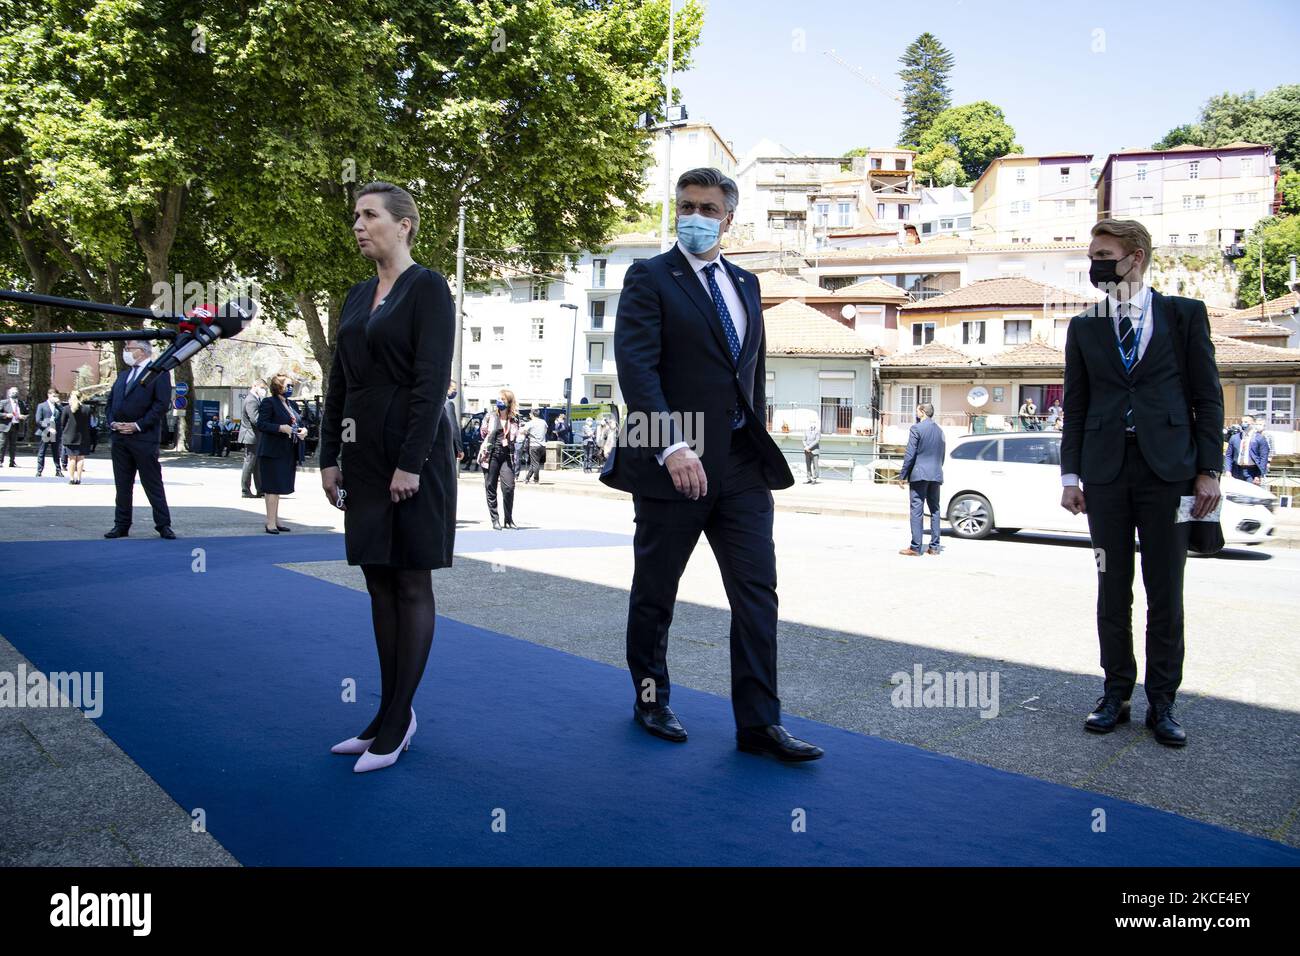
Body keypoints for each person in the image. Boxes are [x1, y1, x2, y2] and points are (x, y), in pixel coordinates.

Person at [601, 166, 821, 763]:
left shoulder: (746, 283)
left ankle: (759, 725)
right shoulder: (648, 277)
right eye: (686, 205)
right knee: (656, 591)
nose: (694, 216)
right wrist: (671, 446)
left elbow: (749, 375)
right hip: (677, 459)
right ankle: (651, 698)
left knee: (757, 594)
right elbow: (638, 371)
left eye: (706, 208)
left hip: (742, 464)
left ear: (729, 217)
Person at [1061, 218, 1222, 748]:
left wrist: (1208, 470)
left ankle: (1164, 703)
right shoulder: (1085, 327)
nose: (1094, 265)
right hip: (1106, 476)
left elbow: (1207, 397)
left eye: (1103, 255)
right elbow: (1077, 407)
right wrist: (1070, 476)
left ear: (1136, 257)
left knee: (1165, 593)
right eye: (1092, 255)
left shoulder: (1183, 316)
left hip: (1169, 475)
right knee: (1112, 588)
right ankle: (1116, 695)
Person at [319, 180, 456, 773]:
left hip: (412, 455)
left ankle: (399, 718)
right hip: (362, 455)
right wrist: (329, 456)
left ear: (403, 225)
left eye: (369, 214)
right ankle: (384, 713)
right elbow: (338, 383)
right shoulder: (353, 296)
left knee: (410, 582)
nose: (358, 224)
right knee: (377, 582)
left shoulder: (429, 289)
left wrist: (411, 462)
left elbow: (431, 385)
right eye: (355, 215)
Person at [104, 339, 175, 539]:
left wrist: (138, 425)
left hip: (143, 438)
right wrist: (113, 423)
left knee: (152, 483)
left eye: (129, 348)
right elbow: (110, 404)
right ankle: (121, 524)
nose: (125, 351)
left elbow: (161, 405)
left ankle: (163, 524)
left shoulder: (158, 373)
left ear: (142, 351)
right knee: (122, 485)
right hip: (119, 438)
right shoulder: (123, 375)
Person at [256, 374, 307, 533]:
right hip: (272, 450)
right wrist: (280, 428)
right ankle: (270, 522)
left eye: (292, 385)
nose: (291, 388)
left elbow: (300, 422)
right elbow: (261, 424)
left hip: (288, 451)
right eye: (288, 385)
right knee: (272, 487)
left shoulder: (292, 404)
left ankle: (276, 520)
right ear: (278, 386)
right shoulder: (269, 402)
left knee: (279, 487)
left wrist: (304, 430)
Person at [898, 403, 946, 556]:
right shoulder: (940, 431)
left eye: (917, 410)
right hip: (936, 473)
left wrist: (903, 475)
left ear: (923, 412)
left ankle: (915, 547)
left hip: (919, 474)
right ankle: (934, 547)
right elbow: (942, 454)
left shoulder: (917, 428)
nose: (916, 413)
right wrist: (937, 469)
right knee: (935, 510)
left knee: (917, 510)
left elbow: (910, 454)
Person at [480, 389, 519, 529]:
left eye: (502, 399)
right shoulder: (490, 416)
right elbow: (483, 432)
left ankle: (508, 519)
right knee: (490, 486)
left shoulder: (514, 419)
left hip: (507, 455)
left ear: (509, 402)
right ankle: (495, 519)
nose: (499, 402)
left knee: (509, 487)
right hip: (491, 455)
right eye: (498, 399)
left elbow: (515, 437)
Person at [239, 380, 265, 498]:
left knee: (256, 464)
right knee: (249, 463)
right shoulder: (251, 400)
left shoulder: (256, 399)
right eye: (262, 387)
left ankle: (260, 489)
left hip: (255, 436)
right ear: (254, 386)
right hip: (251, 436)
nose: (263, 390)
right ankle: (245, 490)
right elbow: (255, 419)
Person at [60, 389, 92, 485]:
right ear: (81, 397)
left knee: (71, 459)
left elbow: (62, 423)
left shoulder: (66, 409)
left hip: (70, 437)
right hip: (83, 437)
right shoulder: (87, 408)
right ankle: (79, 478)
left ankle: (71, 478)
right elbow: (88, 423)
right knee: (81, 458)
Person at [1225, 415, 1268, 485]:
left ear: (1253, 423)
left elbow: (1263, 458)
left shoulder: (1260, 438)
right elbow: (1229, 455)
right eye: (1242, 422)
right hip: (1236, 471)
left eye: (1246, 422)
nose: (1243, 424)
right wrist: (1228, 470)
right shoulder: (1234, 438)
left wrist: (1259, 475)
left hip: (1252, 472)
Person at [35, 389, 65, 477]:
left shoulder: (58, 406)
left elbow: (64, 415)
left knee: (56, 452)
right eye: (53, 396)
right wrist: (48, 428)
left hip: (56, 432)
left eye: (56, 396)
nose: (55, 398)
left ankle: (58, 470)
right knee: (42, 451)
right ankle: (39, 470)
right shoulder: (42, 406)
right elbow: (38, 420)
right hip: (45, 431)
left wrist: (59, 404)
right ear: (49, 395)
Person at [0, 387, 25, 466]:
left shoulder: (21, 403)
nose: (15, 393)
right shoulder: (4, 402)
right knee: (2, 444)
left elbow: (26, 412)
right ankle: (0, 461)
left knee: (13, 445)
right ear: (9, 393)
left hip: (15, 425)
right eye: (13, 392)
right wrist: (6, 415)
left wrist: (23, 416)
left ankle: (12, 462)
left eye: (16, 392)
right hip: (5, 426)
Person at [524, 409, 546, 482]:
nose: (529, 415)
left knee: (535, 463)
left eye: (530, 414)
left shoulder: (530, 423)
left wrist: (528, 433)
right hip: (542, 445)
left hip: (534, 445)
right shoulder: (543, 422)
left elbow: (523, 431)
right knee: (534, 462)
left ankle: (536, 479)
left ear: (532, 414)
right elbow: (545, 431)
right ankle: (527, 478)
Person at [445, 382, 463, 467]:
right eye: (454, 389)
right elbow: (453, 427)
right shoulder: (448, 404)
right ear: (447, 388)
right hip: (448, 447)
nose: (455, 392)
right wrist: (459, 448)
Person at [802, 418, 820, 483]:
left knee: (815, 465)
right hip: (807, 451)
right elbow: (803, 439)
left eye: (814, 423)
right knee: (808, 465)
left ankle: (815, 478)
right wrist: (806, 447)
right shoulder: (806, 431)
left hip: (815, 451)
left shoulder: (817, 431)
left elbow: (817, 441)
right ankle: (809, 478)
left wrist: (809, 447)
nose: (812, 424)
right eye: (811, 423)